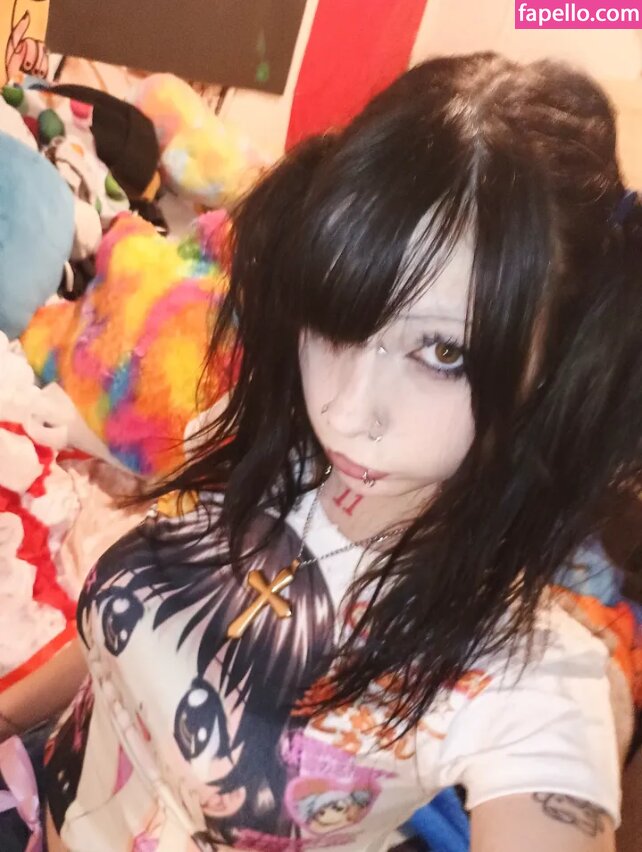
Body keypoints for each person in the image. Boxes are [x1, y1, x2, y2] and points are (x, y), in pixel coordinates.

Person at [0, 51, 640, 852]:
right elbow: (134, 636)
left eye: (443, 352)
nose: (343, 411)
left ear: (557, 368)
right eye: (337, 317)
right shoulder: (273, 450)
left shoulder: (533, 675)